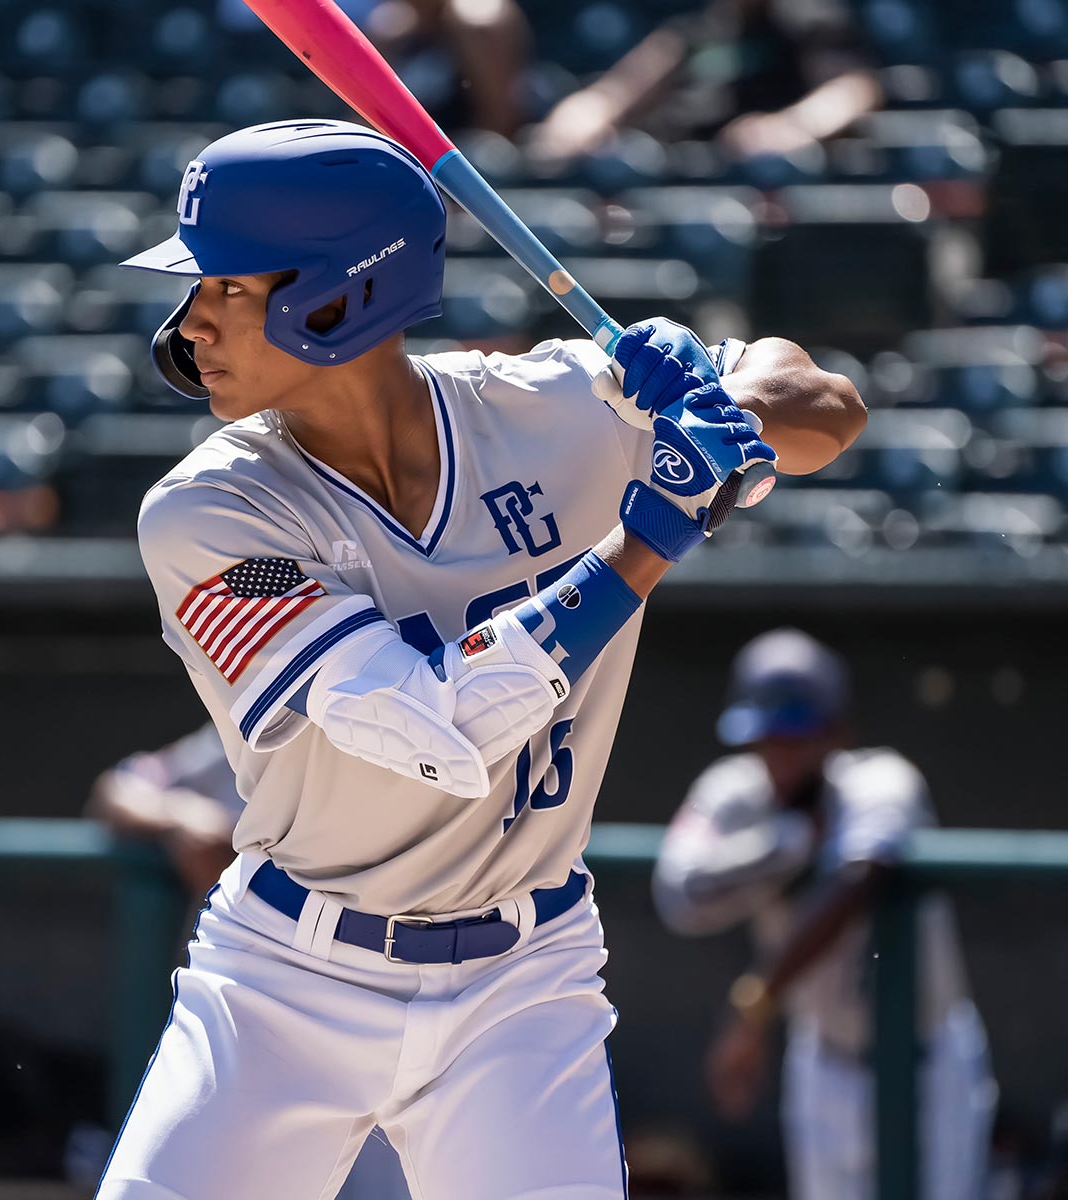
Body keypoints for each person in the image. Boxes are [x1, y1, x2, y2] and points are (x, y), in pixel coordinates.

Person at [97, 117, 865, 1200]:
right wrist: (653, 531)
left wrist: (722, 402)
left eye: (227, 286)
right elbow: (437, 727)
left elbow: (831, 410)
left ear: (341, 293)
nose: (192, 324)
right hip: (287, 979)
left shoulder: (554, 406)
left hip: (524, 979)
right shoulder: (208, 512)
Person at [652, 630, 994, 1200]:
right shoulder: (736, 792)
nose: (780, 756)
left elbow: (857, 877)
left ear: (835, 732)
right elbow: (678, 895)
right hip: (823, 1062)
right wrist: (785, 843)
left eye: (796, 737)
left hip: (928, 1064)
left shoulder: (881, 780)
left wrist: (756, 1004)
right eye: (768, 738)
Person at [86, 724, 413, 1200]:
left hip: (415, 994)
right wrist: (180, 817)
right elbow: (118, 788)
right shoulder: (283, 709)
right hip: (267, 1011)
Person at [526, 0, 881, 166]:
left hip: (756, 186)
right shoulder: (695, 30)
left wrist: (792, 126)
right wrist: (583, 116)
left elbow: (852, 88)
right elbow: (618, 93)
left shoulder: (808, 20)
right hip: (675, 169)